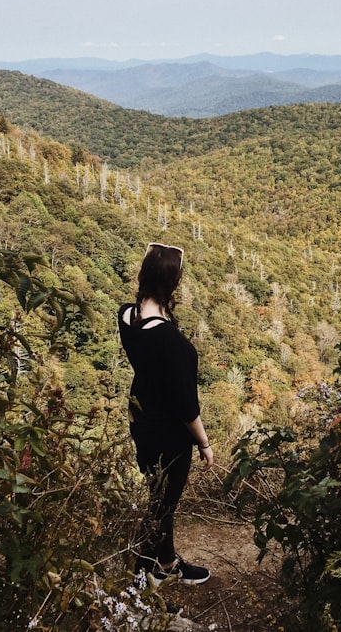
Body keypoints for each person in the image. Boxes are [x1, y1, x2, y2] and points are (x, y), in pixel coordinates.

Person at [118, 242, 213, 586]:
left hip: (141, 420)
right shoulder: (172, 342)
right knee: (163, 505)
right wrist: (204, 443)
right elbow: (186, 406)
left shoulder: (127, 316)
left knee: (158, 495)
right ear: (172, 286)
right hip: (168, 433)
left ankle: (167, 562)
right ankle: (140, 580)